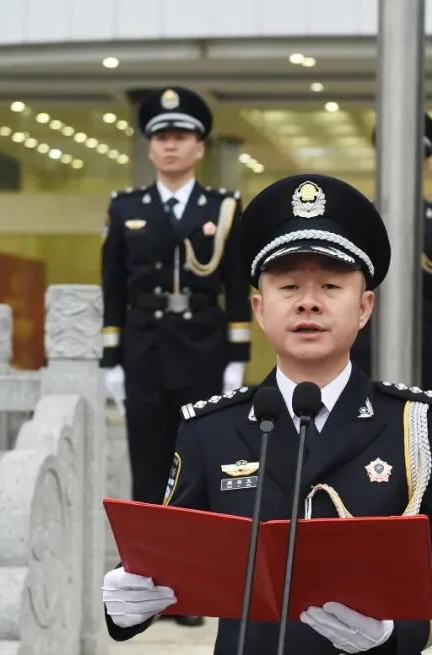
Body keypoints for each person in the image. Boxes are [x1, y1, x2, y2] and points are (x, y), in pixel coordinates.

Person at [102, 174, 432, 655]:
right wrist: (126, 601)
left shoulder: (413, 424)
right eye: (288, 288)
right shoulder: (211, 430)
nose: (308, 303)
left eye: (330, 286)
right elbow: (167, 557)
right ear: (259, 308)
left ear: (364, 307)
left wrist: (397, 628)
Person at [100, 85, 252, 508]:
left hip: (203, 348)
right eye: (161, 138)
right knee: (148, 463)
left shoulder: (222, 207)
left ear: (199, 148)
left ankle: (201, 543)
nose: (170, 146)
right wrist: (111, 360)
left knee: (203, 458)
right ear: (149, 149)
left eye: (180, 137)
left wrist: (237, 359)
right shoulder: (126, 208)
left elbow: (236, 285)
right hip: (143, 350)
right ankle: (147, 548)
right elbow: (113, 287)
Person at [351, 113, 432, 397]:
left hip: (428, 346)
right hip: (366, 342)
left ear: (425, 165)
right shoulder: (359, 217)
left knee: (422, 422)